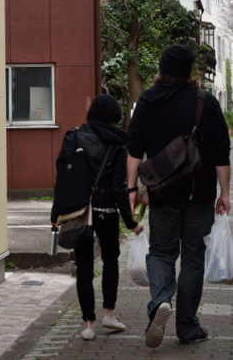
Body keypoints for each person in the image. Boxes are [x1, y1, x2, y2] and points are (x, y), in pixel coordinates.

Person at [127, 44, 231, 348]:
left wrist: (132, 190)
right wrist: (225, 193)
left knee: (160, 252)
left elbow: (134, 150)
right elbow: (221, 153)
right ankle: (187, 328)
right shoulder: (206, 102)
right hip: (198, 194)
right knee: (193, 259)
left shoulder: (147, 100)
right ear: (190, 72)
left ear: (162, 68)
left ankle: (160, 300)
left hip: (161, 193)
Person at [51, 94, 143, 341]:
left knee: (84, 267)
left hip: (80, 211)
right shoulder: (117, 142)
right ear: (114, 115)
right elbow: (118, 187)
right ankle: (108, 314)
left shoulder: (74, 136)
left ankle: (89, 325)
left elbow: (63, 180)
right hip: (107, 211)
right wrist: (131, 222)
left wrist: (56, 213)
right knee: (111, 261)